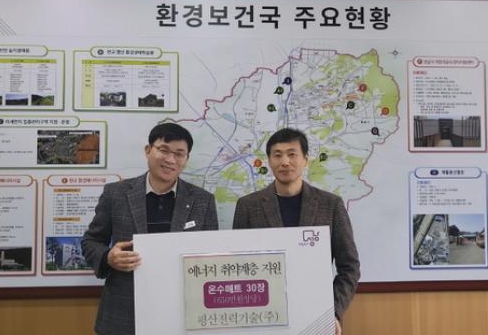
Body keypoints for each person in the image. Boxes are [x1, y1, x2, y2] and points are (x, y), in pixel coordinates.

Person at [82, 123, 218, 335]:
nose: (170, 160)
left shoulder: (203, 200)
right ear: (148, 150)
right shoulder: (115, 193)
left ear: (186, 159)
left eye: (179, 154)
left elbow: (212, 255)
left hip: (182, 312)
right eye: (163, 150)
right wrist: (108, 257)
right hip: (124, 311)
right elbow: (91, 241)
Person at [233, 128, 360, 335]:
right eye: (277, 155)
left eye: (292, 154)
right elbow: (238, 266)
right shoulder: (248, 206)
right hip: (263, 315)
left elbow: (350, 267)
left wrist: (334, 312)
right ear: (269, 160)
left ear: (305, 160)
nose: (285, 162)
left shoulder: (331, 205)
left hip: (316, 314)